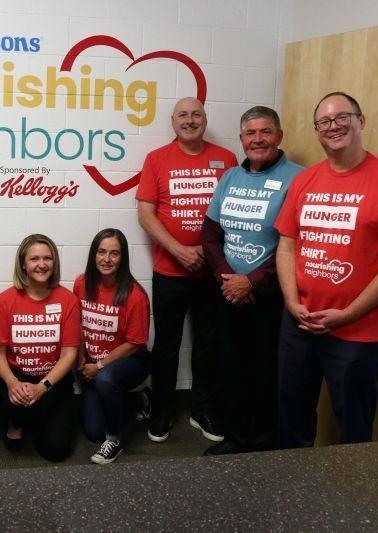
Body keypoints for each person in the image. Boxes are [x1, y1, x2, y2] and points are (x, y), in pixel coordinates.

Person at [274, 92, 378, 447]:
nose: (334, 126)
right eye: (324, 121)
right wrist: (292, 301)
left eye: (343, 117)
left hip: (358, 331)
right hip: (299, 322)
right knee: (291, 415)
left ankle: (352, 498)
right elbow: (287, 246)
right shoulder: (304, 181)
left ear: (361, 121)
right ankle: (289, 491)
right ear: (316, 131)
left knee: (354, 427)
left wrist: (346, 314)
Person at [201, 106, 303, 455]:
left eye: (265, 131)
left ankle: (260, 445)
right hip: (228, 292)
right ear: (241, 139)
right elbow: (211, 233)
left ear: (279, 136)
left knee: (263, 372)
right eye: (250, 133)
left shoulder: (298, 179)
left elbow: (297, 243)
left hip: (270, 295)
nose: (258, 139)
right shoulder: (230, 177)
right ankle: (235, 438)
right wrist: (226, 278)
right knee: (229, 367)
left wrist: (252, 281)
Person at [136, 97, 238, 443]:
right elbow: (146, 214)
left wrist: (210, 255)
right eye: (183, 114)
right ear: (173, 121)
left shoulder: (226, 160)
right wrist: (179, 250)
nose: (190, 120)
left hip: (212, 273)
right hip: (170, 271)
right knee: (167, 343)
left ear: (205, 120)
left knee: (209, 343)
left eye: (196, 114)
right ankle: (162, 410)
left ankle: (202, 410)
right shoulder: (156, 160)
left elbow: (235, 212)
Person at [0, 234, 79, 461]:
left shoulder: (68, 300)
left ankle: (40, 418)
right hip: (17, 376)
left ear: (54, 262)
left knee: (56, 451)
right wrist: (12, 383)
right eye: (34, 259)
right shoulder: (5, 300)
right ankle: (17, 420)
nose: (42, 264)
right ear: (23, 263)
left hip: (53, 379)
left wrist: (43, 387)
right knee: (18, 402)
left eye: (47, 258)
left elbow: (70, 354)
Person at [74, 228, 151, 464]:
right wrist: (80, 362)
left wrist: (98, 365)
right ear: (93, 255)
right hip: (91, 366)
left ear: (123, 258)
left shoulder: (134, 294)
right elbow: (75, 325)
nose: (107, 259)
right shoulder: (82, 283)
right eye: (102, 252)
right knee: (93, 431)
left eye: (114, 254)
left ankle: (115, 440)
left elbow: (135, 342)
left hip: (129, 362)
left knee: (105, 379)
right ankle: (139, 401)